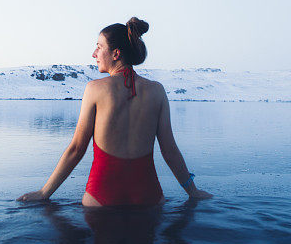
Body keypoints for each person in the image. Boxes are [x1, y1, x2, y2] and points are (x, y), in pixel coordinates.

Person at [17, 17, 213, 206]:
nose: (94, 53)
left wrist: (44, 193)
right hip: (149, 197)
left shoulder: (94, 89)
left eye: (99, 47)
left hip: (101, 197)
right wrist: (193, 192)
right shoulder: (157, 91)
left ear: (116, 54)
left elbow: (77, 149)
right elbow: (169, 151)